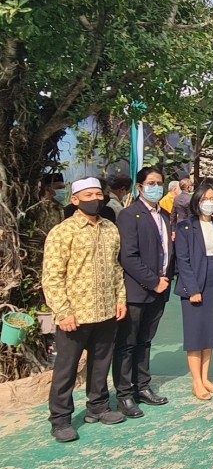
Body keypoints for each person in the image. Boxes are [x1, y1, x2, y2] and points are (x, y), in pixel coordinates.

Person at [42, 178, 128, 443]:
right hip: (75, 315)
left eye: (98, 194)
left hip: (106, 310)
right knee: (66, 368)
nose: (95, 199)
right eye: (88, 195)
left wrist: (120, 299)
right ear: (75, 200)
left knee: (101, 363)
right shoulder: (62, 232)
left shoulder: (110, 229)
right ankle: (60, 419)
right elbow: (52, 276)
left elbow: (116, 268)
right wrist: (62, 311)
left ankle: (98, 406)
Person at [114, 167, 173, 418]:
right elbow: (128, 256)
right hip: (137, 291)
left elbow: (166, 251)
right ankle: (124, 394)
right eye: (151, 183)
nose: (156, 187)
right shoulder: (129, 215)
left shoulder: (165, 215)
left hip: (159, 291)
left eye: (159, 183)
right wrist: (153, 281)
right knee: (127, 344)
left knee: (145, 341)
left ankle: (142, 387)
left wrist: (165, 279)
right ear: (140, 187)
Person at [175, 184, 213, 400]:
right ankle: (196, 382)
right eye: (205, 199)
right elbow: (183, 260)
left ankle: (206, 377)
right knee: (195, 334)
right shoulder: (185, 226)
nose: (209, 202)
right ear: (196, 201)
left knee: (210, 332)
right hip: (194, 281)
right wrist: (192, 289)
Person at [33, 173, 65, 237]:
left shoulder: (60, 207)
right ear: (48, 189)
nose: (63, 191)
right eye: (59, 188)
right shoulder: (39, 208)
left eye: (63, 188)